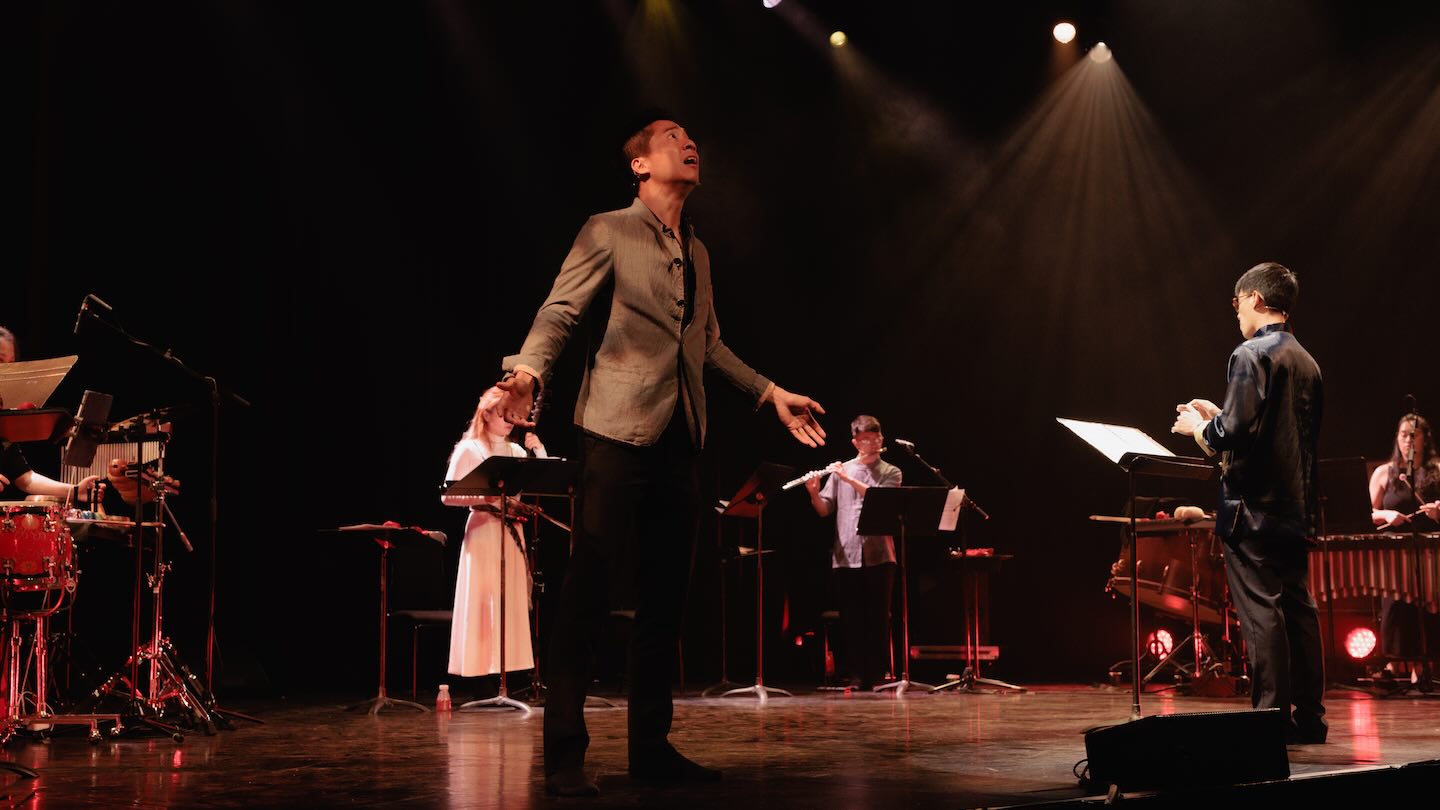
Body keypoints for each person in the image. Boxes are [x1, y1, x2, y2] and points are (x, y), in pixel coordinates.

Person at [492, 112, 826, 797]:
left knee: (665, 601)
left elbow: (708, 345)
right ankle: (564, 755)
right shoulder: (608, 229)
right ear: (640, 165)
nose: (687, 142)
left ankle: (650, 748)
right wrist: (526, 372)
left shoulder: (697, 252)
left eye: (690, 137)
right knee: (588, 590)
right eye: (671, 137)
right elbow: (561, 311)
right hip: (615, 431)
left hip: (681, 438)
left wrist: (769, 394)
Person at [1171, 261, 1326, 745]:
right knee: (1299, 612)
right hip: (1296, 510)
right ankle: (1310, 718)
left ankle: (1268, 722)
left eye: (1237, 302)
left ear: (1256, 298)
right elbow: (1273, 432)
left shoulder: (1249, 353)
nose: (1236, 312)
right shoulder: (1307, 361)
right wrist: (1220, 414)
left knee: (1262, 616)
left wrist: (1200, 427)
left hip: (1252, 511)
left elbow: (1234, 434)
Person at [440, 388, 548, 681]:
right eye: (503, 414)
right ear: (486, 414)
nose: (509, 420)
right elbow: (448, 496)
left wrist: (539, 451)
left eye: (513, 414)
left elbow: (542, 484)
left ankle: (507, 676)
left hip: (511, 533)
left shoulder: (516, 452)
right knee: (484, 599)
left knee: (509, 602)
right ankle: (482, 677)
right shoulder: (470, 449)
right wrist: (486, 497)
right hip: (484, 531)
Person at [805, 414, 900, 690]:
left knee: (878, 618)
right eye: (867, 439)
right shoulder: (841, 470)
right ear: (856, 442)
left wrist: (846, 478)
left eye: (877, 438)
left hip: (880, 555)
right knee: (852, 619)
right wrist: (813, 493)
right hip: (845, 554)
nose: (874, 443)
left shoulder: (892, 472)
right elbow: (824, 509)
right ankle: (856, 675)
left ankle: (877, 674)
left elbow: (878, 499)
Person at [1370, 414, 1440, 531]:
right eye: (1403, 435)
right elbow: (1368, 513)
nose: (1408, 440)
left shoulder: (1438, 470)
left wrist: (1438, 513)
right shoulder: (1382, 472)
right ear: (1397, 438)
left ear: (1425, 439)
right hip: (1393, 540)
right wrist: (1386, 515)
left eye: (1414, 435)